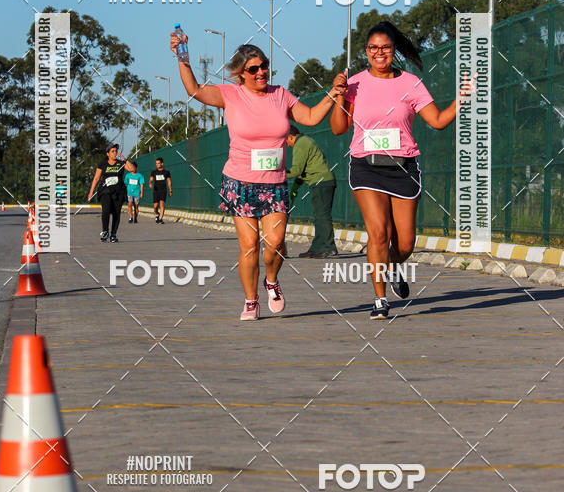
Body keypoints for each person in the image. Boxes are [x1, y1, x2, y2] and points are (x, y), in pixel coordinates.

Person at [170, 33, 345, 320]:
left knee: (275, 243)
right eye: (253, 69)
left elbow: (311, 117)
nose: (261, 72)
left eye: (264, 65)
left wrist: (333, 94)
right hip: (239, 182)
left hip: (274, 184)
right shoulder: (231, 95)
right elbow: (194, 90)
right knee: (249, 246)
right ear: (240, 74)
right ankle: (251, 301)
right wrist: (182, 57)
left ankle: (272, 281)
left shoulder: (281, 95)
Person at [330, 20, 475, 320]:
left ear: (394, 49)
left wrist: (461, 100)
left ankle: (393, 266)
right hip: (366, 166)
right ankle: (380, 299)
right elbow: (338, 128)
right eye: (373, 48)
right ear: (366, 51)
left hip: (404, 166)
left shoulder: (410, 83)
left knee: (405, 242)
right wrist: (338, 97)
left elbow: (436, 120)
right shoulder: (354, 83)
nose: (379, 52)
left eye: (384, 47)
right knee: (379, 233)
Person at [286, 125, 337, 258]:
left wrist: (279, 174)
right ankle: (317, 248)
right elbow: (302, 172)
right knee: (318, 215)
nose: (288, 145)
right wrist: (294, 189)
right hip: (319, 181)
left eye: (287, 141)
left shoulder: (301, 144)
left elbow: (297, 170)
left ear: (290, 136)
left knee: (322, 215)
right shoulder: (305, 141)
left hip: (321, 181)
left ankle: (329, 247)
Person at [87, 145, 134, 242]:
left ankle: (113, 234)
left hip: (118, 192)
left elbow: (132, 169)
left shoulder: (121, 163)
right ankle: (105, 232)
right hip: (105, 192)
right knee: (106, 211)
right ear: (107, 154)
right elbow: (96, 178)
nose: (115, 153)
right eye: (112, 151)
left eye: (116, 151)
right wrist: (91, 192)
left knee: (116, 213)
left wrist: (125, 160)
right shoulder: (103, 164)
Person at [149, 157, 172, 223]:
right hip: (156, 190)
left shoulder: (166, 172)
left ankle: (161, 219)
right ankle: (157, 214)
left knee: (162, 204)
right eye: (156, 163)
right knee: (155, 206)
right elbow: (150, 179)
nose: (157, 164)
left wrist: (170, 190)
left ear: (162, 163)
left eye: (158, 163)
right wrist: (150, 183)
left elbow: (169, 181)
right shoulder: (154, 172)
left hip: (163, 190)